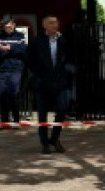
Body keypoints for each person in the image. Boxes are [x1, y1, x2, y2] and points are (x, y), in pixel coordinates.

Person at [28, 15, 73, 153]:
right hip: (43, 83)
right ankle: (44, 142)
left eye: (56, 22)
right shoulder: (37, 42)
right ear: (45, 26)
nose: (55, 25)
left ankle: (55, 137)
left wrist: (68, 72)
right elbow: (29, 59)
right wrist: (37, 75)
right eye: (51, 23)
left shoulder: (63, 41)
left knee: (62, 108)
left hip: (60, 82)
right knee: (42, 114)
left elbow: (69, 58)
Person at [0, 14, 28, 124]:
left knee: (13, 94)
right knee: (2, 94)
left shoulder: (20, 36)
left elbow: (23, 50)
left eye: (9, 26)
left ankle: (16, 120)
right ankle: (4, 121)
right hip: (3, 69)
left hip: (16, 69)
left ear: (13, 24)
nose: (7, 28)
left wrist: (9, 48)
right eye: (5, 26)